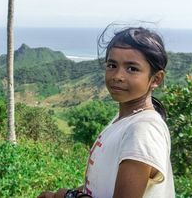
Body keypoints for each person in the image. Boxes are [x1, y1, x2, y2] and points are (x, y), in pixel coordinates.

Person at [38, 26, 175, 198]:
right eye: (112, 65)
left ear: (156, 79)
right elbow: (101, 186)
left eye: (132, 68)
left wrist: (65, 196)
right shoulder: (124, 120)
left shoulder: (143, 129)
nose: (117, 75)